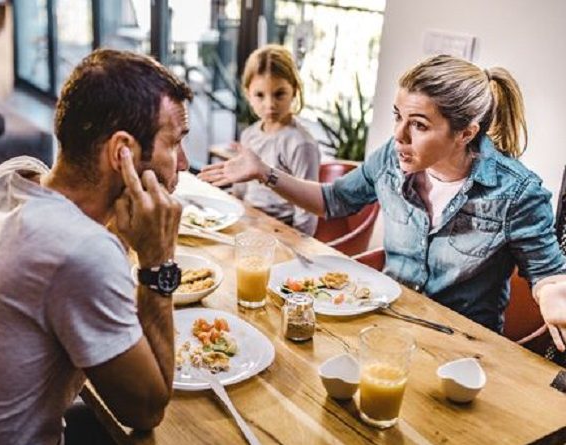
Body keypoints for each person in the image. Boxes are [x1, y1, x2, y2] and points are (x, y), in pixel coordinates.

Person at [0, 49, 192, 445]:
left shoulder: (9, 177)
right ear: (124, 153)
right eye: (175, 143)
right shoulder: (79, 251)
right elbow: (146, 410)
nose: (184, 163)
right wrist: (157, 264)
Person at [199, 54, 566, 349]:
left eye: (419, 125)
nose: (399, 135)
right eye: (398, 117)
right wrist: (264, 171)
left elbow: (547, 273)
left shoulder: (517, 192)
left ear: (465, 133)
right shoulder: (392, 157)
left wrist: (552, 293)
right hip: (385, 326)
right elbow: (333, 201)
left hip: (462, 350)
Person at [228, 44, 320, 235]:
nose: (269, 105)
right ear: (248, 94)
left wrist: (299, 247)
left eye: (279, 94)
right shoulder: (249, 135)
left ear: (294, 91)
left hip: (282, 230)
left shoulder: (301, 144)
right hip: (248, 221)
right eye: (259, 95)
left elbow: (307, 209)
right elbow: (240, 189)